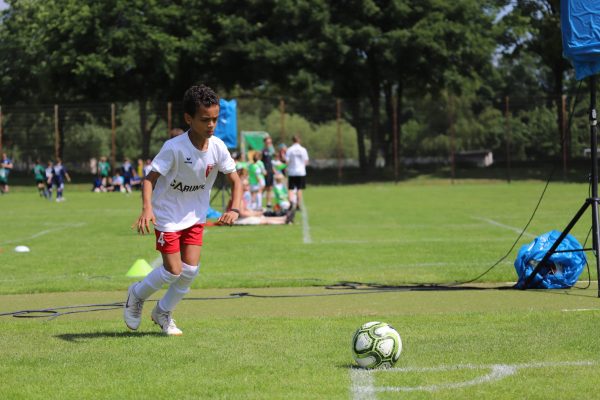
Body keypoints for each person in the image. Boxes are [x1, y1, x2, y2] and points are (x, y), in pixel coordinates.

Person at [124, 84, 242, 336]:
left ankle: (163, 312)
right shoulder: (174, 148)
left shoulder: (218, 147)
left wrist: (236, 210)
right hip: (167, 215)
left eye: (215, 119)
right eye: (204, 120)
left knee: (189, 271)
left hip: (195, 216)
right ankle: (136, 295)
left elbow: (236, 181)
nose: (211, 125)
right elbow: (149, 179)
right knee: (172, 271)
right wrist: (147, 209)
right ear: (189, 118)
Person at [285, 135, 309, 210]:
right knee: (299, 188)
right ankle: (298, 204)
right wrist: (302, 166)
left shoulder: (289, 150)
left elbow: (287, 161)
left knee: (290, 188)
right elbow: (306, 161)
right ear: (299, 140)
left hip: (292, 171)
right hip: (301, 172)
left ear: (292, 141)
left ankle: (291, 203)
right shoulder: (303, 149)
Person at [261, 136, 276, 208]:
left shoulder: (271, 151)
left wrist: (273, 169)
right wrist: (262, 170)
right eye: (268, 142)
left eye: (270, 142)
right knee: (263, 188)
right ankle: (257, 203)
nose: (269, 143)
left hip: (270, 171)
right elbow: (260, 162)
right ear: (265, 142)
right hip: (265, 172)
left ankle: (268, 203)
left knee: (270, 188)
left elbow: (270, 161)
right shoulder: (262, 151)